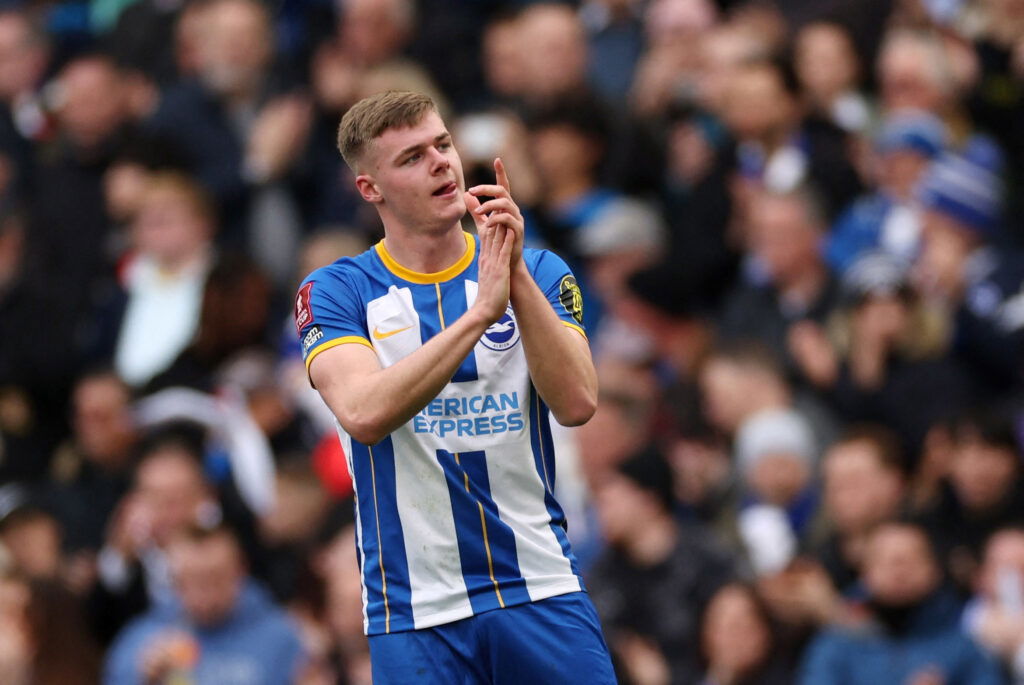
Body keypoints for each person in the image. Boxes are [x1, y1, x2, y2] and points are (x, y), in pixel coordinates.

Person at [295, 90, 612, 683]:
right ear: (371, 190)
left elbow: (577, 403)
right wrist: (477, 317)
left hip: (540, 587)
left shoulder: (540, 271)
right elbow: (363, 412)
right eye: (412, 157)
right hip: (415, 610)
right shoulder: (338, 291)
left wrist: (511, 274)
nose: (441, 162)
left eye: (443, 144)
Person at [798, 521, 1004, 685]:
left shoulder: (964, 641)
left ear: (934, 570)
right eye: (886, 561)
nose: (899, 572)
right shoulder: (836, 643)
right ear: (865, 572)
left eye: (910, 560)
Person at [103, 523, 305, 685]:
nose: (205, 596)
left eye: (215, 579)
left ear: (240, 571)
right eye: (191, 582)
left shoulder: (283, 638)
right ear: (174, 580)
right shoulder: (139, 643)